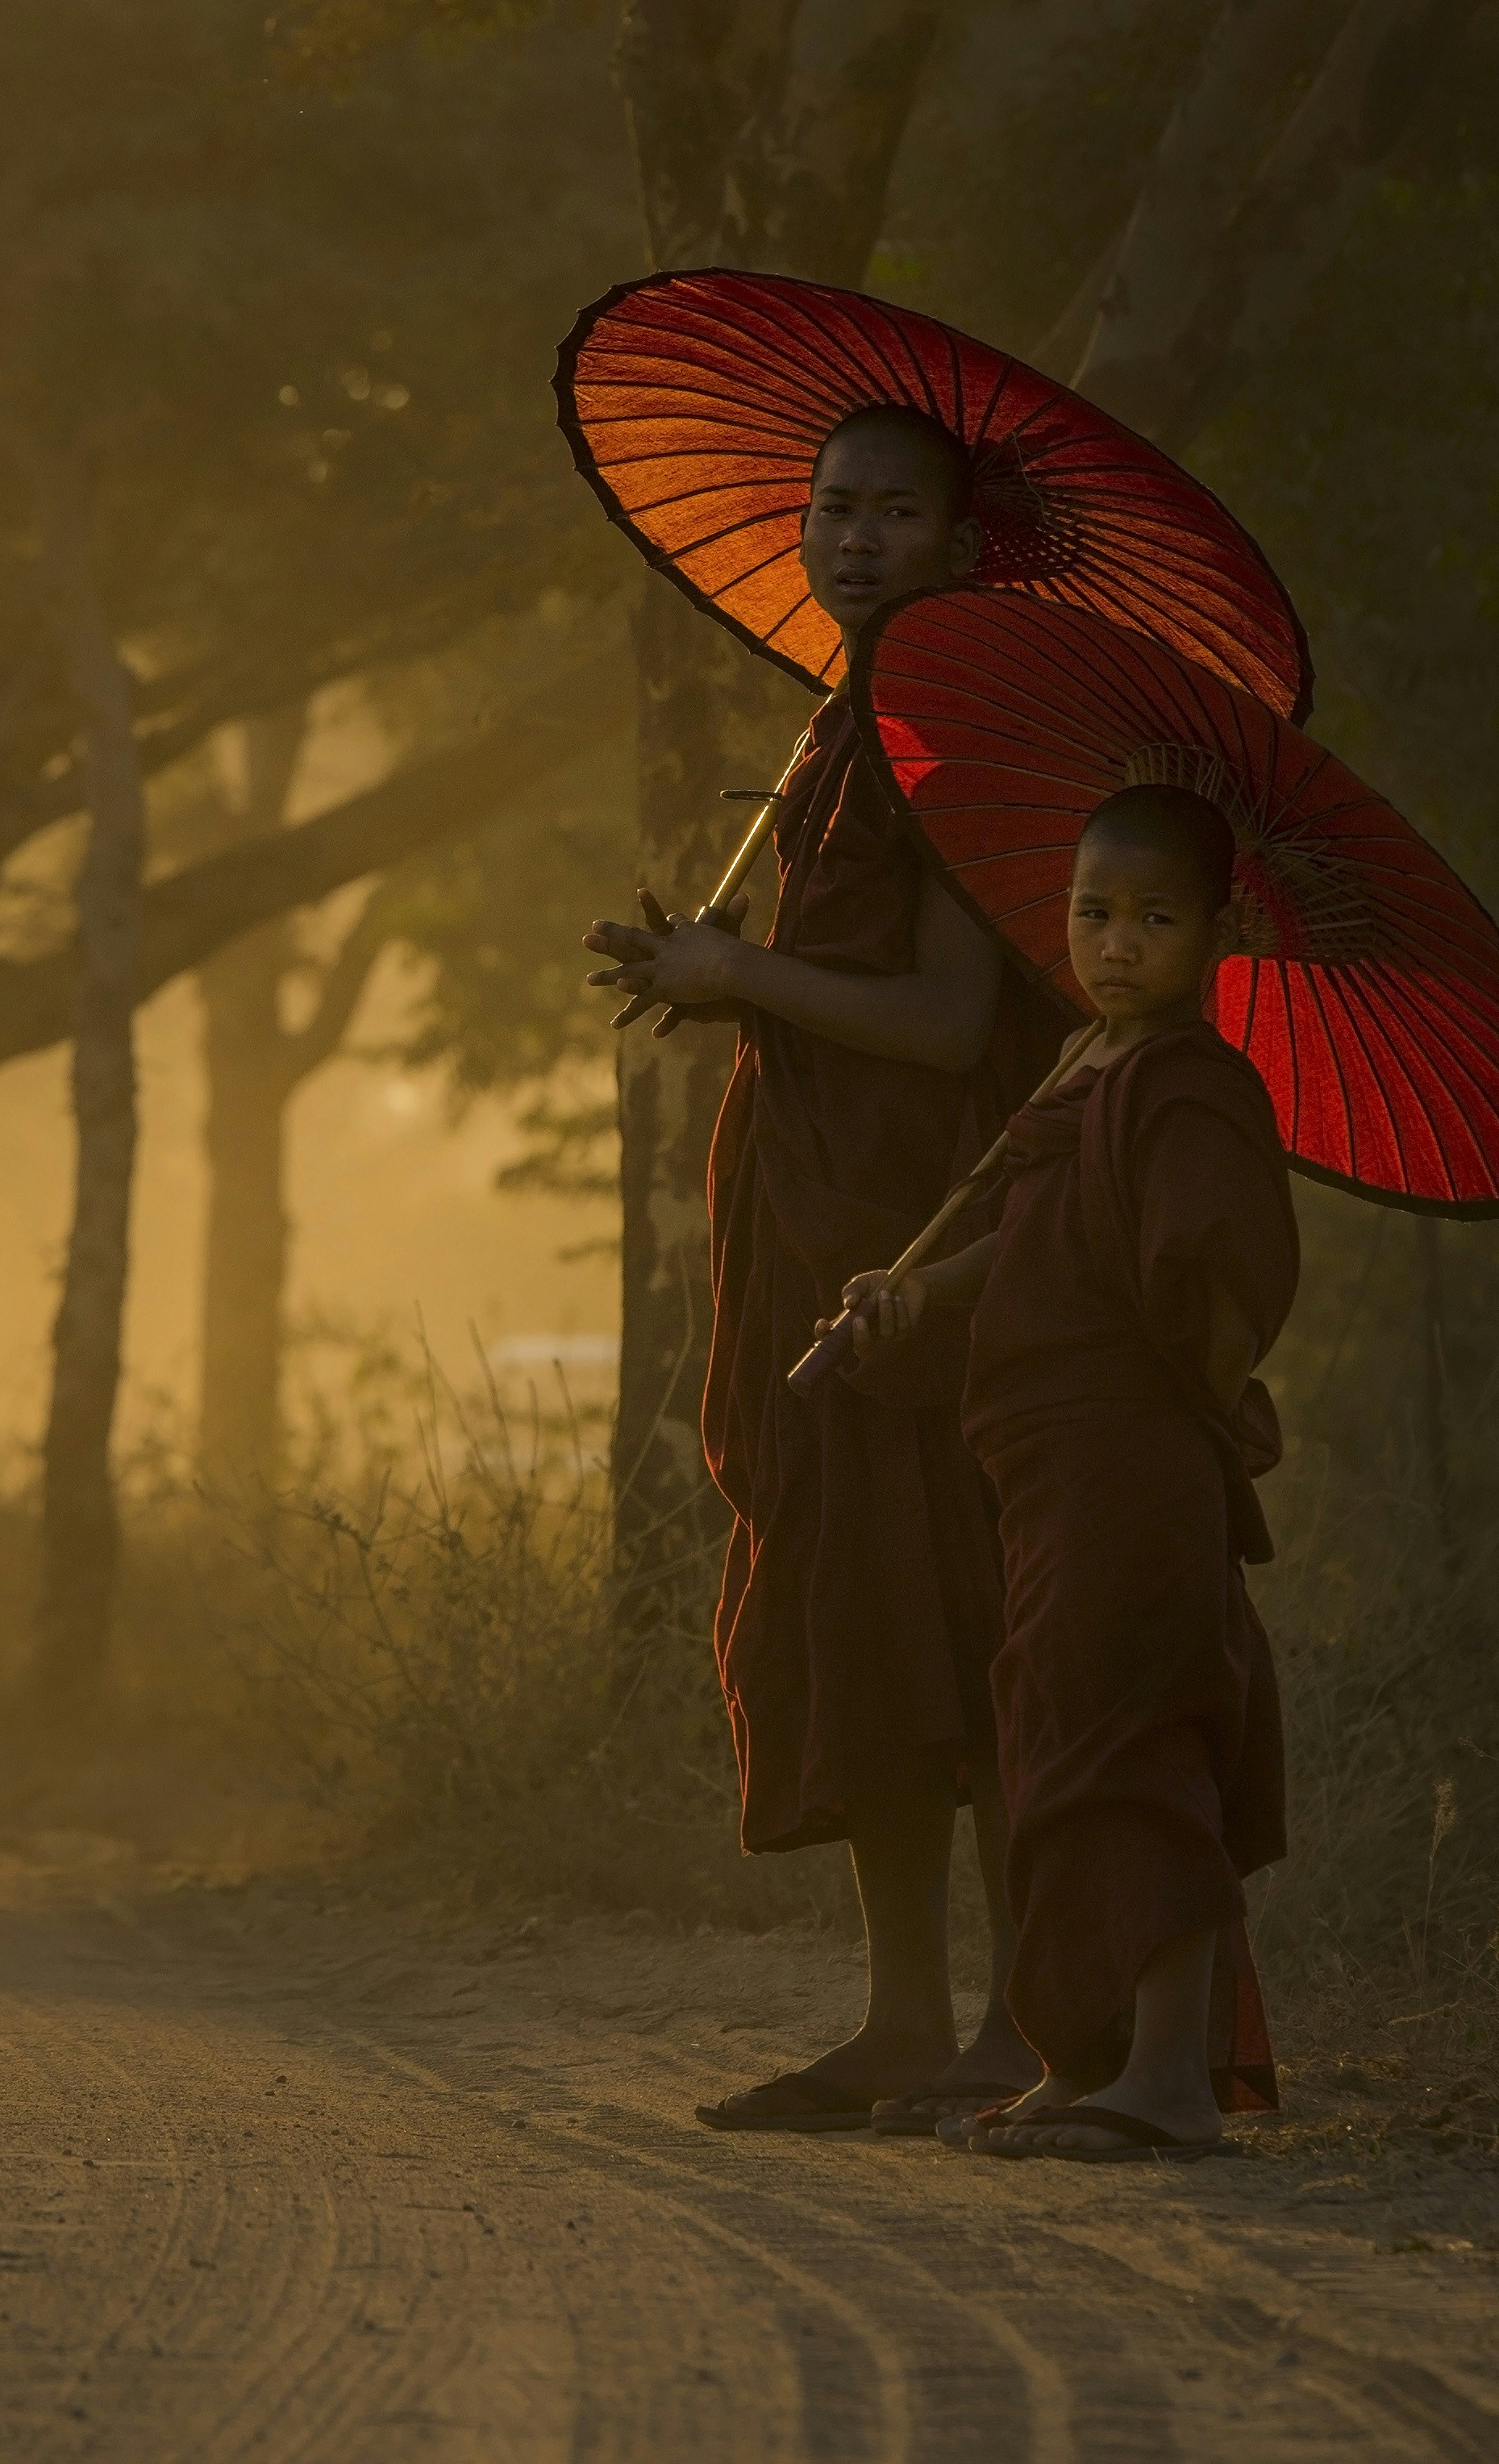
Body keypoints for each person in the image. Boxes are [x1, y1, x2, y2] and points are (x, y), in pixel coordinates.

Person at [585, 406, 1064, 2135]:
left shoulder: (949, 725)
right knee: (852, 1600)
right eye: (834, 508)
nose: (856, 538)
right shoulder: (837, 725)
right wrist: (704, 968)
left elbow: (947, 1026)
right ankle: (898, 2022)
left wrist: (750, 981)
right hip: (815, 1215)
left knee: (956, 1598)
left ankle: (1014, 2022)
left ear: (959, 539)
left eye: (896, 512)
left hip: (920, 1234)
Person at [839, 779, 1299, 2158]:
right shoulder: (1084, 1067)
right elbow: (1046, 1239)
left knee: (1134, 1737)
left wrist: (1209, 1404)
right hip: (1041, 1461)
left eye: (1156, 919)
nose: (1117, 946)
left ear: (1220, 928)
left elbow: (1210, 1275)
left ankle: (1166, 2079)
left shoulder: (1194, 1085)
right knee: (1045, 1741)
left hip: (1130, 1458)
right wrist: (916, 1294)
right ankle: (1080, 2050)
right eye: (1095, 914)